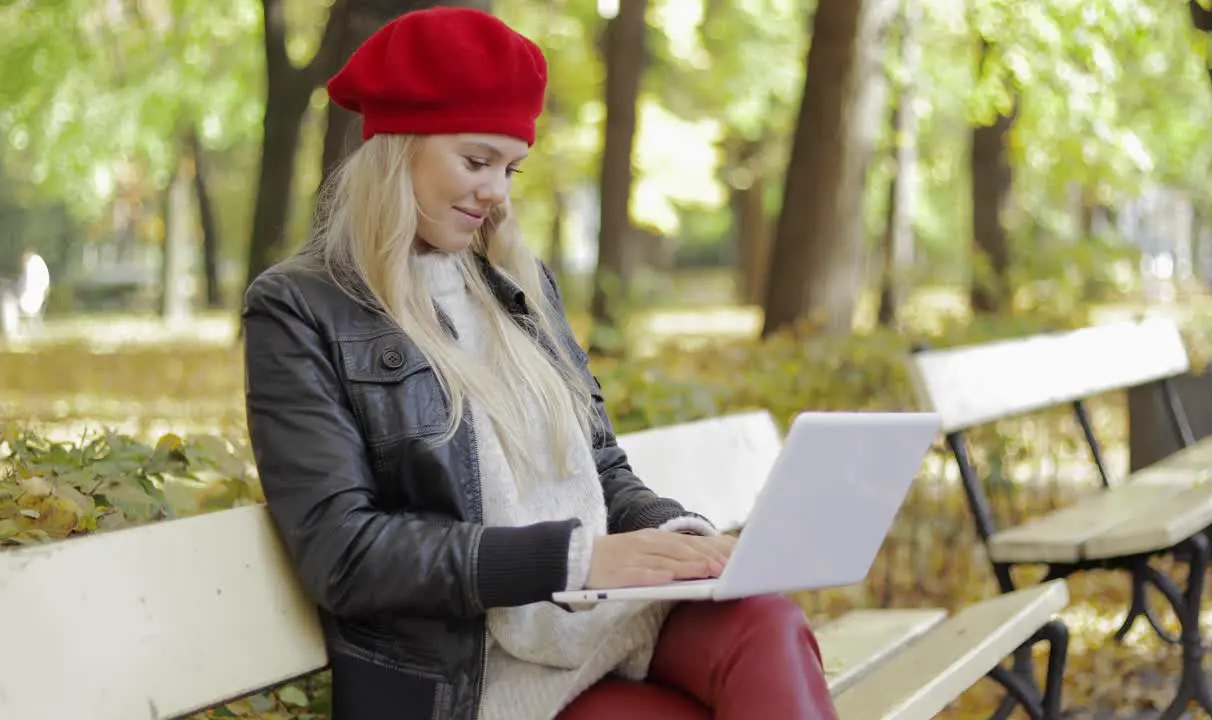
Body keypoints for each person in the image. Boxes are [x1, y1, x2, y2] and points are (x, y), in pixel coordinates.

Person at [241, 8, 838, 720]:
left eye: (510, 167)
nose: (497, 191)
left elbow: (601, 467)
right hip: (477, 677)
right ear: (398, 149)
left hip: (598, 624)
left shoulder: (514, 285)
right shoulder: (301, 309)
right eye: (476, 161)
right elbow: (347, 554)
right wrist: (572, 562)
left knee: (766, 621)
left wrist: (685, 543)